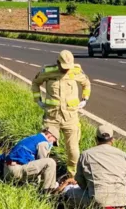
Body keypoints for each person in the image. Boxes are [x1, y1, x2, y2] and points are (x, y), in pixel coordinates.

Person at [32, 50, 91, 178]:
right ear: (58, 63)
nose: (66, 70)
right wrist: (38, 100)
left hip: (70, 117)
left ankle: (72, 176)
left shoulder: (75, 71)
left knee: (73, 150)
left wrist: (85, 98)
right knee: (43, 147)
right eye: (63, 67)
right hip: (52, 117)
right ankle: (42, 175)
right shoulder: (48, 72)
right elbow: (35, 83)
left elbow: (86, 83)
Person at [63, 124, 126, 209]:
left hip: (99, 205)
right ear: (112, 140)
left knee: (68, 191)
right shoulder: (124, 155)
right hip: (121, 205)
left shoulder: (86, 154)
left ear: (96, 139)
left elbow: (80, 180)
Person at [0, 127, 60, 193]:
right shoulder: (43, 143)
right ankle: (48, 191)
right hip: (16, 171)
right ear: (50, 135)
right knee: (50, 162)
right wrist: (53, 182)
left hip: (7, 170)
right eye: (54, 142)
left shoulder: (32, 138)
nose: (52, 145)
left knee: (36, 179)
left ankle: (33, 187)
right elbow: (43, 163)